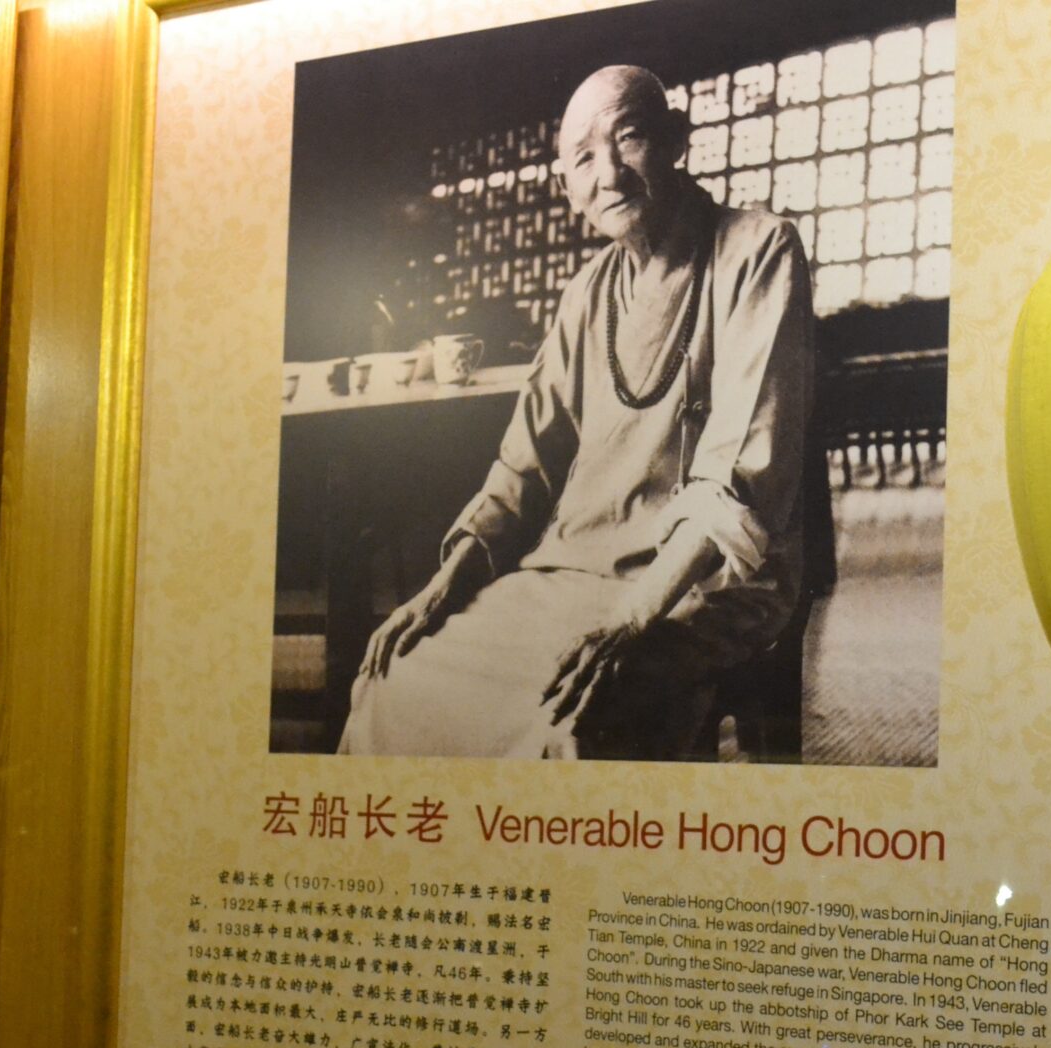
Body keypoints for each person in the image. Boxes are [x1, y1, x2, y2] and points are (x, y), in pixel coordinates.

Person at [339, 65, 815, 759]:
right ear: (567, 191)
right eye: (584, 159)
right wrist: (442, 588)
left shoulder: (758, 249)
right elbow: (523, 466)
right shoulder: (586, 294)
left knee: (569, 719)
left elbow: (742, 473)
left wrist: (632, 618)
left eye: (628, 137)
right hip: (570, 571)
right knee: (393, 682)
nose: (611, 174)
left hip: (709, 581)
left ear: (677, 140)